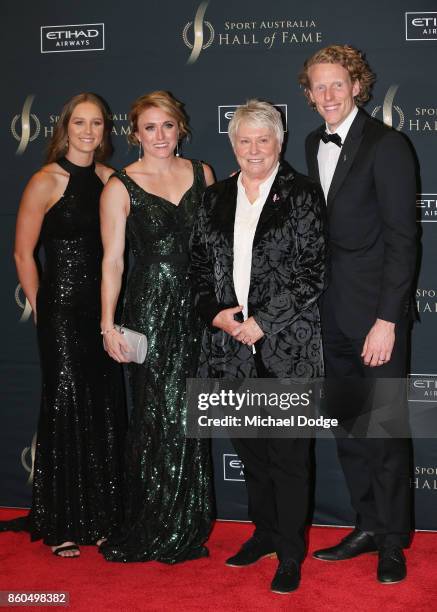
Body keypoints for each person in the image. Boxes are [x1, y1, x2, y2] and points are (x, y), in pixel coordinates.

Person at [190, 100, 327, 593]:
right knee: (251, 454)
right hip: (228, 348)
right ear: (233, 144)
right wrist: (216, 314)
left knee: (289, 459)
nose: (253, 149)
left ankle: (290, 553)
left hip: (287, 347)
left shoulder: (303, 195)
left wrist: (264, 322)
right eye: (244, 140)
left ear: (280, 142)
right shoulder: (214, 197)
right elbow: (199, 270)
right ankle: (263, 533)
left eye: (262, 140)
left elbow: (313, 271)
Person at [299, 45, 417, 583]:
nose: (326, 96)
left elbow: (403, 239)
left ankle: (393, 540)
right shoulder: (308, 142)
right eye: (317, 87)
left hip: (375, 318)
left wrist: (387, 319)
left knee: (384, 431)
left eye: (336, 85)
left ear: (358, 86)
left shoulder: (387, 145)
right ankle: (367, 525)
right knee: (348, 430)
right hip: (330, 315)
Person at [99, 91, 214, 563]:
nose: (160, 136)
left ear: (180, 128)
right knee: (155, 415)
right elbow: (112, 262)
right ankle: (151, 520)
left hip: (199, 309)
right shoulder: (120, 186)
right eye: (150, 128)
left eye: (168, 125)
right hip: (149, 309)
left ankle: (188, 521)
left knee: (191, 410)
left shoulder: (201, 174)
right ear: (135, 133)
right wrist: (108, 324)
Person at [13, 93, 127, 557]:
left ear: (105, 131)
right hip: (60, 311)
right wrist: (41, 306)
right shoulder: (45, 180)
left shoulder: (110, 179)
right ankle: (63, 520)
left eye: (96, 123)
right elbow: (23, 252)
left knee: (103, 406)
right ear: (64, 128)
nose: (88, 131)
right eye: (79, 123)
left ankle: (101, 517)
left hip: (102, 310)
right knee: (65, 406)